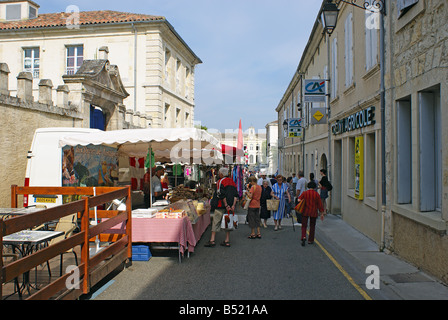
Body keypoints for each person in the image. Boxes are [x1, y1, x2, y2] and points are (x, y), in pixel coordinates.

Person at [205, 167, 238, 248]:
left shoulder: (220, 181)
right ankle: (227, 240)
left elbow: (220, 194)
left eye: (219, 173)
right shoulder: (232, 182)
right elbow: (235, 195)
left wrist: (226, 205)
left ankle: (212, 240)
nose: (218, 174)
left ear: (221, 174)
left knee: (216, 221)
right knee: (228, 222)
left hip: (221, 205)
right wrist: (233, 206)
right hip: (230, 206)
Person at [298, 181, 325, 246]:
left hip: (305, 211)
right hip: (313, 211)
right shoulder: (316, 194)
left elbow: (299, 199)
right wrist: (322, 213)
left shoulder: (305, 193)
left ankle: (303, 236)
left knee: (304, 225)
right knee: (312, 226)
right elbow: (320, 205)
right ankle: (310, 240)